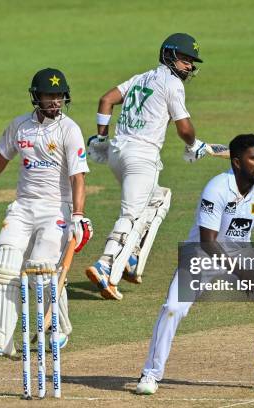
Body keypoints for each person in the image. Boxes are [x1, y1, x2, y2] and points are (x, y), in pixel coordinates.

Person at [136, 134, 254, 394]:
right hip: (201, 256)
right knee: (172, 308)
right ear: (237, 162)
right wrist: (243, 274)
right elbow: (208, 242)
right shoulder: (217, 188)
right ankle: (150, 373)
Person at [0, 68, 93, 357]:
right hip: (23, 206)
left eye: (59, 96)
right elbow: (0, 159)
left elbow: (78, 177)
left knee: (42, 269)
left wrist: (78, 216)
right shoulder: (20, 127)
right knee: (4, 265)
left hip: (57, 208)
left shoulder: (70, 130)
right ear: (36, 97)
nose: (55, 101)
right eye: (49, 96)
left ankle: (56, 327)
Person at [85, 33, 220, 300]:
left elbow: (106, 100)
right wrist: (194, 145)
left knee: (159, 198)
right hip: (141, 157)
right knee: (132, 214)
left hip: (117, 153)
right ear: (169, 55)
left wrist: (100, 138)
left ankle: (132, 257)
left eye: (192, 62)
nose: (190, 66)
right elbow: (184, 128)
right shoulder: (172, 84)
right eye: (185, 60)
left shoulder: (140, 78)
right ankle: (105, 265)